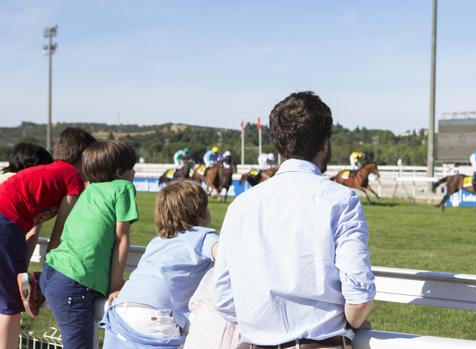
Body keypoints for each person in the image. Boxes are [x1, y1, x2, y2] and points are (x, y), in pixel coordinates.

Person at [210, 91, 375, 348]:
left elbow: (222, 297)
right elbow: (359, 299)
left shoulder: (241, 204)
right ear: (325, 143)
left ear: (279, 144)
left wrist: (266, 327)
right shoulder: (341, 200)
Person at [0, 128, 95, 348]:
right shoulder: (72, 178)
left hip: (9, 226)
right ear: (84, 157)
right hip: (6, 226)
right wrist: (50, 265)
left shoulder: (49, 172)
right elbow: (61, 229)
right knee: (11, 307)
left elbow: (33, 229)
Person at [39, 140, 139, 349]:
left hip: (53, 272)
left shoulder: (90, 189)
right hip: (74, 284)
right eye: (131, 167)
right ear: (120, 171)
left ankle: (35, 282)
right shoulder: (124, 187)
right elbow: (122, 238)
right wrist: (115, 285)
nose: (135, 171)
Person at [100, 180, 218, 349]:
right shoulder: (205, 236)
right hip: (157, 315)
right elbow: (227, 258)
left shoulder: (157, 241)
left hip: (122, 309)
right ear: (200, 213)